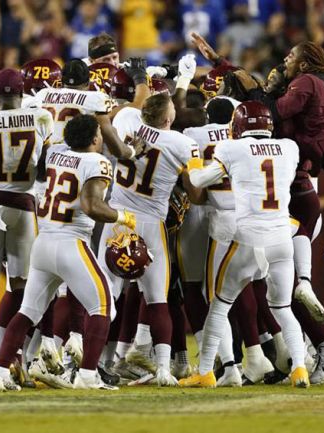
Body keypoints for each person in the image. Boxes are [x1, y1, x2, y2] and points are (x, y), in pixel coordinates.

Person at [0, 114, 137, 391]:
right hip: (71, 243)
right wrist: (122, 217)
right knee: (104, 308)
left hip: (43, 243)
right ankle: (88, 375)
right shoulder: (97, 162)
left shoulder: (56, 155)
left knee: (27, 312)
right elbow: (92, 205)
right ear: (95, 138)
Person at [180, 101, 311, 388]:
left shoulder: (232, 148)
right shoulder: (289, 148)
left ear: (238, 126)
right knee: (282, 307)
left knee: (219, 306)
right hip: (281, 238)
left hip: (248, 238)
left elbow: (199, 179)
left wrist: (191, 162)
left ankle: (204, 372)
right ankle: (300, 369)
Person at [99, 93, 202, 386]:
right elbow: (195, 192)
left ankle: (98, 362)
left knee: (106, 296)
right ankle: (163, 370)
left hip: (117, 220)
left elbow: (124, 111)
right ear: (169, 119)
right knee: (158, 299)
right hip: (151, 224)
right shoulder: (182, 144)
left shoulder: (128, 119)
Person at [0, 68, 53, 384]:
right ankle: (14, 357)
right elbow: (42, 173)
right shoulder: (39, 118)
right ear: (21, 92)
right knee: (21, 287)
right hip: (24, 206)